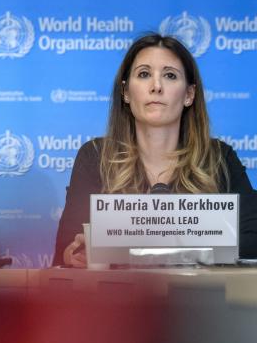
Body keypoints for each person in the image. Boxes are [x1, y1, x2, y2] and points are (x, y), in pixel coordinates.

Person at [54, 33, 257, 267]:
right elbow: (66, 249)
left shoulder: (219, 158)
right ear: (126, 92)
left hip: (199, 299)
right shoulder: (95, 156)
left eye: (170, 76)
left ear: (189, 94)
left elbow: (252, 240)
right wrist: (76, 254)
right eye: (144, 74)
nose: (157, 86)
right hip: (118, 300)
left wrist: (132, 246)